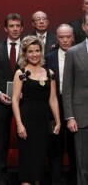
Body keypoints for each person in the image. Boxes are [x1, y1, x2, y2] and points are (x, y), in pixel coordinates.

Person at [12, 35, 60, 185]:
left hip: (43, 122)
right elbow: (14, 99)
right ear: (25, 54)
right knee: (28, 163)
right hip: (27, 121)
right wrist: (19, 124)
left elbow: (53, 99)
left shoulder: (49, 73)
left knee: (39, 163)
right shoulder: (21, 73)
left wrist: (58, 121)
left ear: (41, 52)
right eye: (31, 51)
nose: (34, 54)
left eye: (37, 50)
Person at [0, 13, 23, 185]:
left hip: (24, 102)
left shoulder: (28, 47)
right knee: (1, 140)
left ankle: (26, 175)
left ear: (22, 28)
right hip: (2, 102)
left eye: (18, 26)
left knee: (25, 138)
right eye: (11, 26)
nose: (15, 29)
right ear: (5, 28)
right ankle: (0, 177)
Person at [45, 24, 77, 185]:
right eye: (61, 37)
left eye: (68, 37)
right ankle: (55, 180)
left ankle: (75, 179)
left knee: (74, 146)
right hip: (54, 106)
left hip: (75, 106)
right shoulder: (48, 57)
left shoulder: (80, 54)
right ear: (56, 38)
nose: (65, 40)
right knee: (55, 146)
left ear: (73, 37)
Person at [63, 13, 88, 185]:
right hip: (81, 116)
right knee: (83, 164)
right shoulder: (73, 52)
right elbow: (67, 87)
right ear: (84, 27)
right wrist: (70, 116)